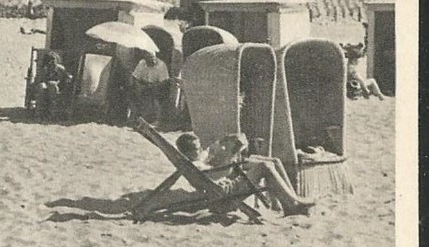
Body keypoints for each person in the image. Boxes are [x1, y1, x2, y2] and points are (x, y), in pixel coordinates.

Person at [188, 133, 316, 217]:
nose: (200, 150)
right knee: (264, 167)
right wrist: (232, 154)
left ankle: (291, 201)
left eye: (199, 147)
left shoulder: (199, 158)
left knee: (274, 161)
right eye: (196, 149)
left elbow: (210, 152)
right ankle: (294, 205)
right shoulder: (196, 166)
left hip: (230, 181)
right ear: (187, 152)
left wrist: (226, 140)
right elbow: (222, 173)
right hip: (226, 193)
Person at [130, 50, 170, 125]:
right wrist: (139, 87)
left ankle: (157, 119)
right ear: (145, 58)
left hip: (158, 85)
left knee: (155, 97)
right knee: (136, 93)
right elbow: (136, 77)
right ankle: (137, 118)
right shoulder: (142, 63)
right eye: (149, 58)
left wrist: (153, 87)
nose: (151, 60)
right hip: (144, 84)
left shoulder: (161, 65)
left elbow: (164, 82)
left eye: (152, 58)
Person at [36, 51, 72, 116]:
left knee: (53, 87)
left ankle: (52, 111)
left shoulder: (60, 68)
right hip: (46, 84)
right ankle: (39, 111)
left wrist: (69, 77)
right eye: (50, 60)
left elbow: (66, 75)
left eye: (53, 60)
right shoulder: (45, 68)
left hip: (56, 85)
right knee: (42, 87)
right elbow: (40, 78)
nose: (52, 62)